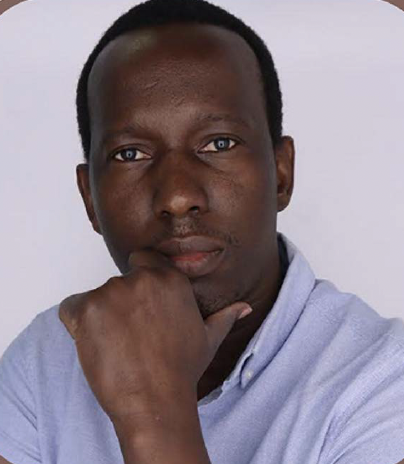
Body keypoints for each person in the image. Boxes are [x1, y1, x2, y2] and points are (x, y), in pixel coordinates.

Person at [1, 0, 404, 463]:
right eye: (130, 154)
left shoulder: (385, 384)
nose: (176, 197)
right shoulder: (44, 360)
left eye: (219, 143)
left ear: (281, 176)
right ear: (90, 199)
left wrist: (152, 409)